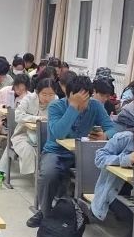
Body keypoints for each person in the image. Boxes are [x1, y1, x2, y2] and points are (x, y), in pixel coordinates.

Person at [27, 75, 115, 228]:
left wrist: (105, 135)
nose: (83, 104)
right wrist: (73, 107)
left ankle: (85, 212)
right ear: (68, 95)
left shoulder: (95, 106)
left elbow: (113, 129)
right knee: (48, 174)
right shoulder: (56, 106)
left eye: (85, 99)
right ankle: (45, 212)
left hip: (83, 154)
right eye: (77, 99)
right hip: (56, 151)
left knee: (104, 173)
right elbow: (58, 133)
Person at [0, 78, 57, 181]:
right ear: (37, 92)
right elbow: (18, 116)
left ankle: (44, 177)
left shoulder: (56, 101)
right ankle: (37, 178)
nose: (48, 98)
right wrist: (37, 119)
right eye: (44, 94)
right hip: (23, 134)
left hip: (46, 135)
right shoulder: (29, 99)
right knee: (29, 150)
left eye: (51, 95)